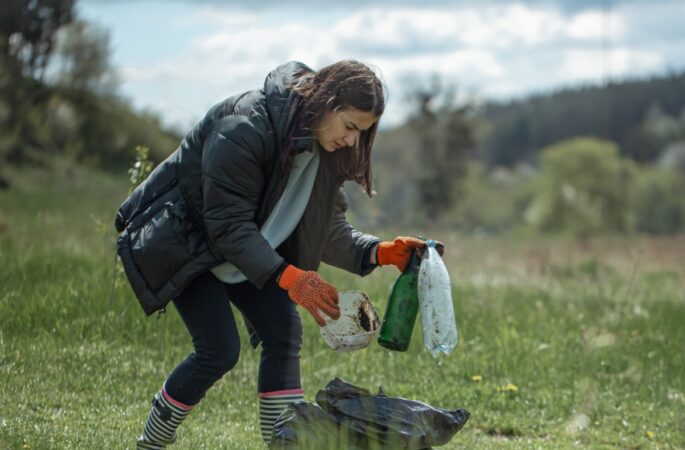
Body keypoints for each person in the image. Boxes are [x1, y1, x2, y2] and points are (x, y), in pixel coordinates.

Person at [113, 60, 441, 449]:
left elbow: (325, 229)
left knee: (284, 333)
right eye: (351, 127)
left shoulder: (324, 147)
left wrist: (381, 252)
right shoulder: (244, 126)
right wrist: (292, 278)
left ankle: (283, 445)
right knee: (219, 350)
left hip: (250, 252)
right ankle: (150, 444)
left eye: (363, 132)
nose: (354, 141)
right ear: (326, 103)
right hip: (190, 244)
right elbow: (226, 226)